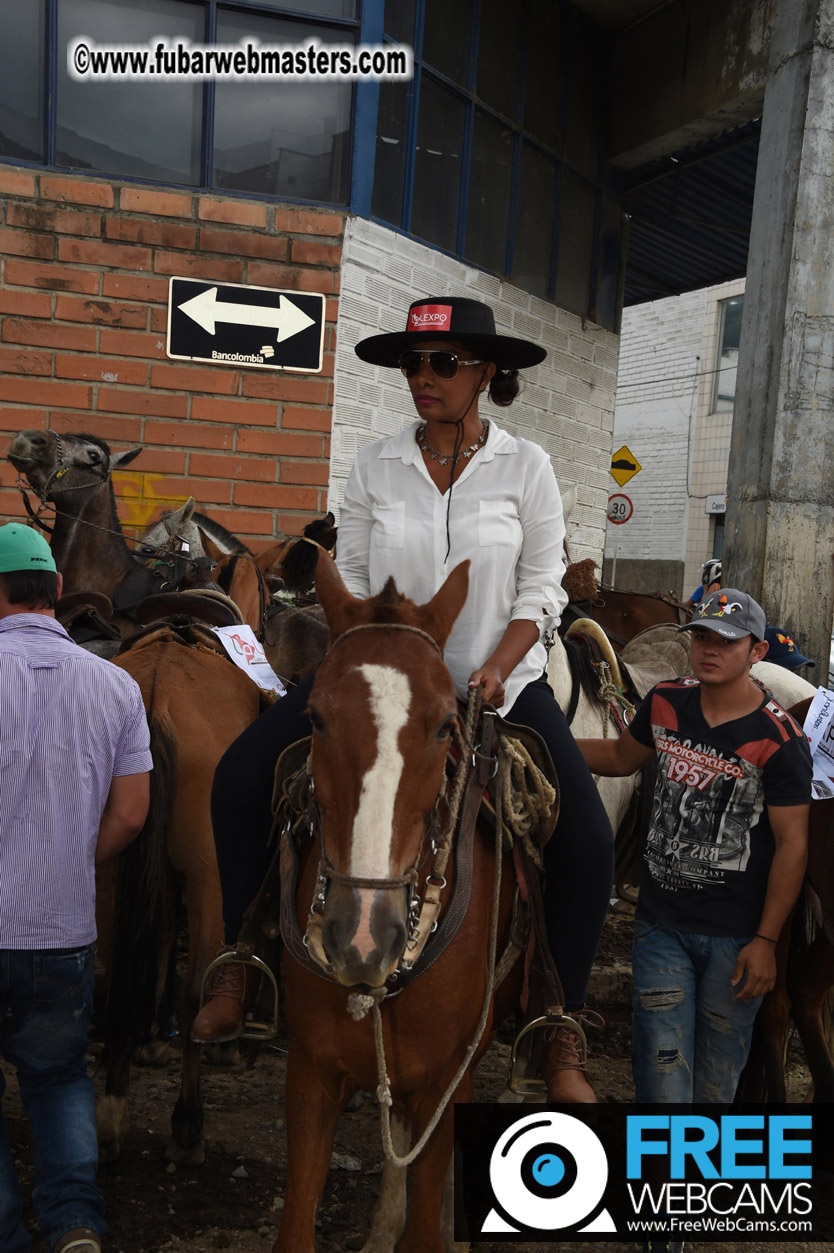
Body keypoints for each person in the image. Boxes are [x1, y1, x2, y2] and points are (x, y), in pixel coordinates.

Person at [192, 295, 615, 1101]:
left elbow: (540, 591)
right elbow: (348, 580)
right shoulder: (372, 463)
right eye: (412, 363)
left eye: (443, 363)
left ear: (487, 372)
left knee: (588, 839)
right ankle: (243, 961)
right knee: (242, 774)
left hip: (497, 687)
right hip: (373, 677)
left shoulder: (528, 467)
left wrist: (497, 664)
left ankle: (558, 1017)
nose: (423, 378)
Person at [575, 587, 812, 1104]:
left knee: (715, 1082)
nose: (709, 649)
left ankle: (695, 1181)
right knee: (661, 1071)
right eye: (701, 636)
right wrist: (548, 739)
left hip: (737, 938)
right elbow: (620, 756)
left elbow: (793, 846)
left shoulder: (781, 741)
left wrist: (767, 941)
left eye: (727, 641)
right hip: (661, 924)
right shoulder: (666, 702)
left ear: (757, 653)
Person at [0, 523, 152, 1253]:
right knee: (60, 1078)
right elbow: (130, 813)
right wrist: (65, 858)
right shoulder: (116, 683)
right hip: (59, 931)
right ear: (57, 590)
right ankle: (75, 1225)